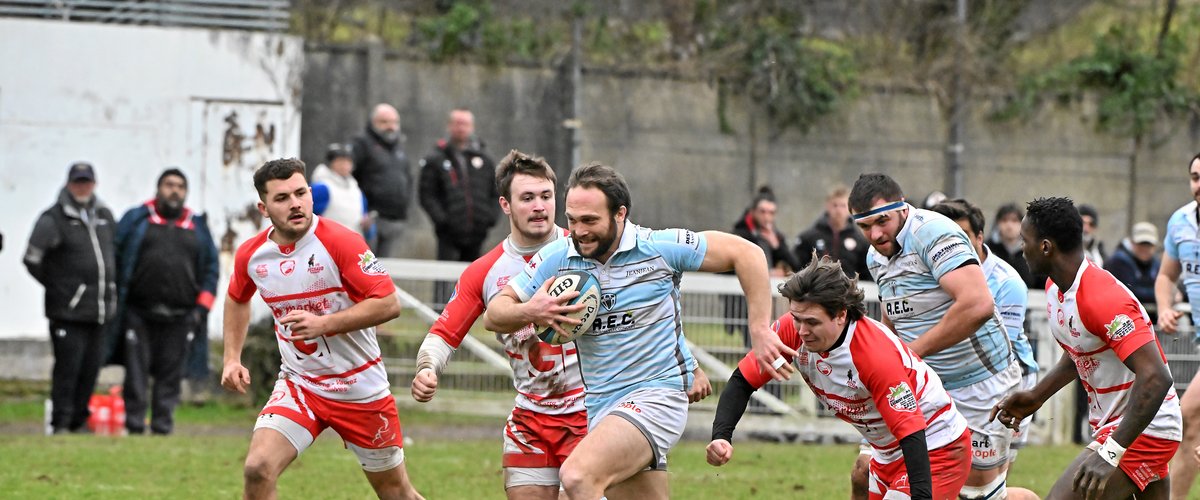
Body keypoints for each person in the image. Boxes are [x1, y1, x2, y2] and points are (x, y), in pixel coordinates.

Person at [485, 162, 792, 499]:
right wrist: (532, 309)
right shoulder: (559, 257)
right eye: (572, 220)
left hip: (658, 397)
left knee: (575, 478)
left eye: (590, 221)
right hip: (602, 408)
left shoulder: (658, 248)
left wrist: (760, 330)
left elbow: (746, 252)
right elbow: (495, 314)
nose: (579, 231)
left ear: (620, 214)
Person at [220, 158, 422, 499]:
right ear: (263, 207)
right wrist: (231, 358)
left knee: (396, 492)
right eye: (282, 198)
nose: (295, 203)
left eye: (301, 193)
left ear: (312, 195)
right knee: (258, 469)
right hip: (301, 385)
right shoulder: (252, 255)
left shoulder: (342, 241)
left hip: (359, 389)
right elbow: (237, 297)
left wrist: (323, 324)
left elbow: (388, 303)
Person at [709, 256, 972, 499]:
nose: (801, 331)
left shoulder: (872, 355)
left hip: (936, 446)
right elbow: (742, 381)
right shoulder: (792, 329)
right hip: (887, 450)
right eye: (796, 318)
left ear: (841, 314)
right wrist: (722, 435)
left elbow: (912, 430)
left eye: (812, 322)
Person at [409, 150, 588, 500]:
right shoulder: (486, 270)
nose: (539, 206)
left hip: (591, 412)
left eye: (546, 196)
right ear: (505, 205)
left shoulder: (585, 251)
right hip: (532, 418)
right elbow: (443, 335)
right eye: (527, 198)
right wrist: (427, 368)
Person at [993, 196, 1181, 500]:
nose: (1020, 246)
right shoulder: (1058, 287)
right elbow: (1080, 348)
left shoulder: (1100, 297)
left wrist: (1111, 452)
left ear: (1045, 246)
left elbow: (1157, 377)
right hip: (1129, 426)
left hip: (1146, 428)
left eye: (1024, 239)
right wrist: (1036, 397)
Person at [847, 173, 1020, 500]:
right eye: (864, 226)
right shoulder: (875, 256)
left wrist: (907, 357)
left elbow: (977, 304)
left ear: (901, 207)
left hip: (979, 384)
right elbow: (893, 313)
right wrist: (885, 359)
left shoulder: (933, 233)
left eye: (881, 220)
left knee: (973, 495)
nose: (875, 233)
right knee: (864, 471)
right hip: (925, 382)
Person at [931, 198, 1040, 500]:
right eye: (944, 237)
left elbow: (994, 351)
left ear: (980, 237)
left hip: (1004, 386)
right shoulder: (930, 271)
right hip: (951, 378)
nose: (951, 246)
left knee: (987, 488)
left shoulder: (1006, 283)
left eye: (962, 236)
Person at [114, 168, 219, 435]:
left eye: (180, 187)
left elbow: (211, 269)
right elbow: (115, 255)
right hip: (139, 312)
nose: (174, 190)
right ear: (158, 188)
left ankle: (162, 426)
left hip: (182, 315)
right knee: (136, 375)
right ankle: (134, 425)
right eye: (169, 185)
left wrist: (201, 309)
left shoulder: (197, 226)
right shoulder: (137, 219)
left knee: (171, 376)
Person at [23, 161, 117, 434]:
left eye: (87, 181)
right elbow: (32, 260)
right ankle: (61, 422)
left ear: (94, 184)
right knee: (67, 369)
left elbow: (113, 255)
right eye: (78, 182)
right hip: (67, 312)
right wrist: (60, 288)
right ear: (68, 184)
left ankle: (79, 421)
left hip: (99, 310)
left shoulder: (104, 215)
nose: (82, 186)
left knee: (90, 370)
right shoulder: (51, 219)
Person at [1160, 153, 1200, 500]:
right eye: (1195, 177)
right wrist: (1164, 306)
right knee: (1189, 424)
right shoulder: (1180, 222)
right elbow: (1165, 275)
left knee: (1187, 418)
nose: (1198, 185)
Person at [418, 108, 501, 264]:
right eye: (457, 123)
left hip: (478, 233)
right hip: (448, 235)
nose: (461, 128)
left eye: (465, 124)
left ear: (472, 127)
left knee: (474, 281)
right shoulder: (436, 158)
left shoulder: (485, 159)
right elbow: (427, 194)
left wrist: (490, 218)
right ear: (449, 126)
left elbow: (495, 191)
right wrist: (443, 221)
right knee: (444, 282)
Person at [725, 186, 799, 345]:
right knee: (752, 342)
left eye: (771, 213)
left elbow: (795, 264)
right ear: (752, 211)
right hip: (742, 298)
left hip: (767, 297)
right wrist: (762, 274)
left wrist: (776, 245)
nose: (767, 217)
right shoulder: (739, 234)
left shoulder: (774, 235)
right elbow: (726, 269)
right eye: (763, 211)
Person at [350, 103, 412, 258]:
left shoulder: (399, 147)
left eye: (394, 122)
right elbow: (350, 178)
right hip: (370, 220)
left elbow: (408, 180)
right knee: (366, 267)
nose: (390, 126)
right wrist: (362, 211)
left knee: (387, 272)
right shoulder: (361, 144)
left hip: (395, 220)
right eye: (384, 122)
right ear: (373, 123)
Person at [794, 184, 870, 280]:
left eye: (843, 206)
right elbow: (797, 267)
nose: (838, 210)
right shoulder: (809, 237)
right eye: (835, 205)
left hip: (848, 292)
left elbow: (867, 274)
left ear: (850, 208)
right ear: (827, 206)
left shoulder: (861, 241)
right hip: (816, 291)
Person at [312, 143, 372, 238]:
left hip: (354, 243)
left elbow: (366, 221)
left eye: (348, 162)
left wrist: (368, 227)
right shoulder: (321, 188)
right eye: (340, 161)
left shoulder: (356, 190)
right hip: (327, 244)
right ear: (330, 163)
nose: (345, 165)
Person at [1103, 221, 1160, 317]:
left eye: (1148, 245)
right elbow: (1130, 292)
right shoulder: (1118, 261)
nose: (1145, 248)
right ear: (1132, 242)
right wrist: (1164, 295)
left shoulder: (1154, 262)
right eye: (1141, 244)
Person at [986, 203, 1038, 288]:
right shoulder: (988, 248)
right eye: (1004, 220)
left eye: (1014, 220)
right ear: (997, 223)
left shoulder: (1032, 249)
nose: (1009, 226)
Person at [1078, 204, 1106, 268]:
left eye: (1091, 224)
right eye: (1083, 223)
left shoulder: (1100, 251)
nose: (1086, 229)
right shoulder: (1068, 249)